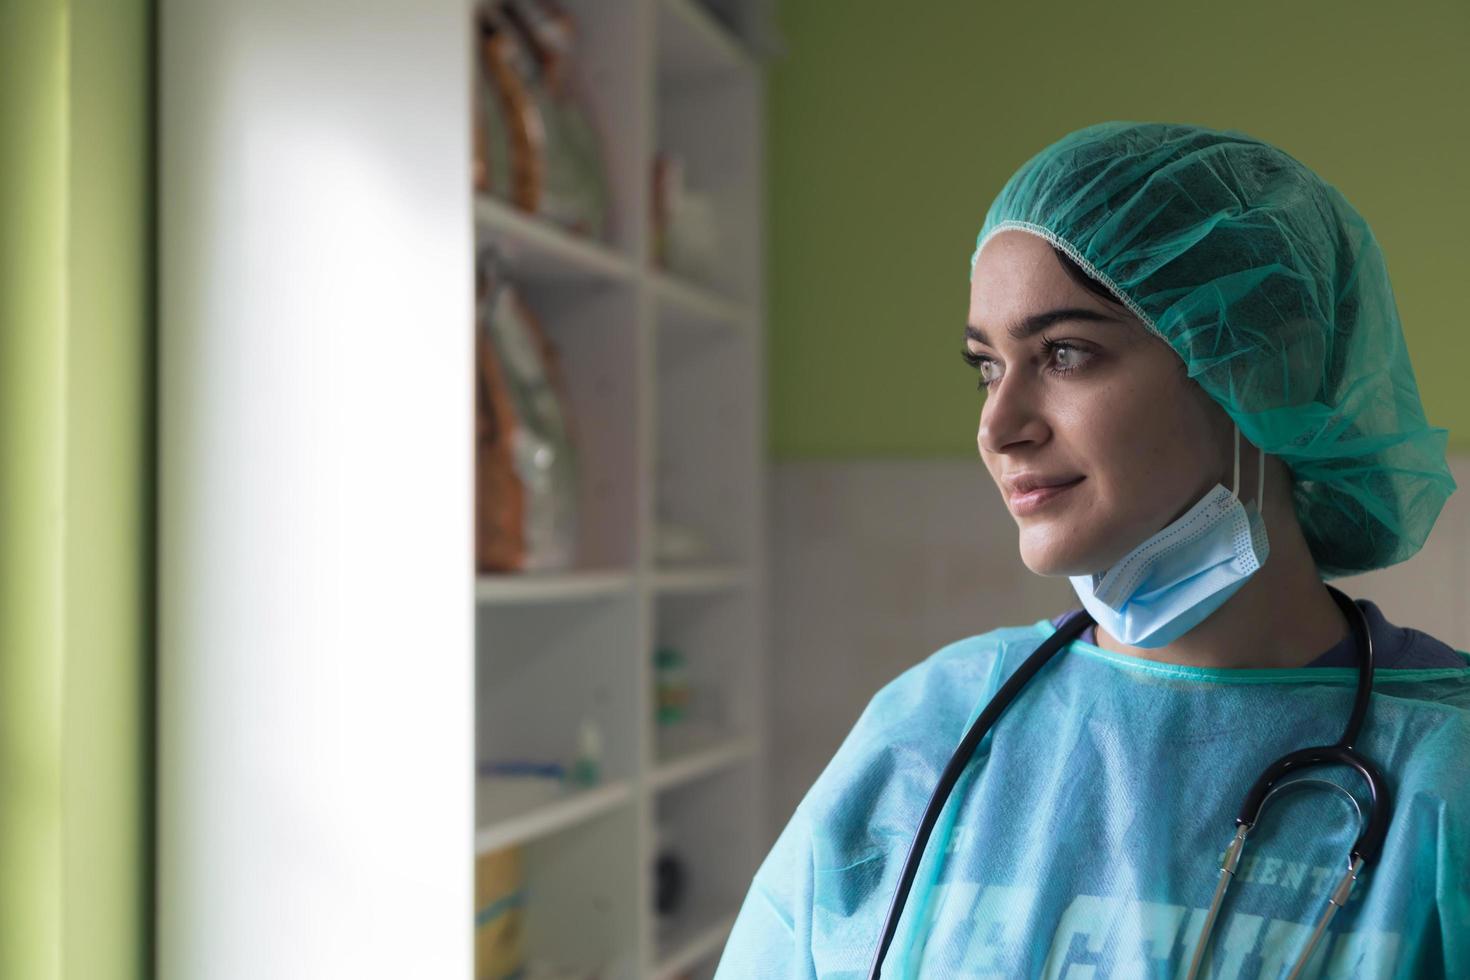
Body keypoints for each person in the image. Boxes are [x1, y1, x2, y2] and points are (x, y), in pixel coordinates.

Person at [714, 122, 1470, 978]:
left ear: (1266, 366)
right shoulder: (931, 731)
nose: (999, 427)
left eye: (1065, 353)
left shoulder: (1446, 777)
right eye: (987, 367)